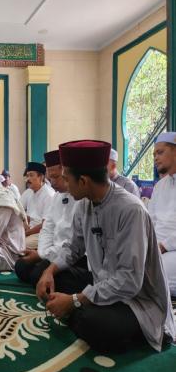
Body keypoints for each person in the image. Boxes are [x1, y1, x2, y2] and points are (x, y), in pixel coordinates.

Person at [35, 139, 175, 353]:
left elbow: (129, 280)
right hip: (103, 282)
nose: (63, 185)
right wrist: (49, 270)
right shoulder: (84, 204)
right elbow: (72, 249)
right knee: (58, 280)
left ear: (83, 181)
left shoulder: (130, 211)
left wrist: (75, 301)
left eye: (66, 178)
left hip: (138, 300)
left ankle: (132, 330)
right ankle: (82, 311)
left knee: (93, 323)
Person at [15, 150, 83, 286]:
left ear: (67, 173)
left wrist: (44, 256)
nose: (52, 183)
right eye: (50, 178)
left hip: (73, 256)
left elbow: (73, 243)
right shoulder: (57, 196)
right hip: (53, 251)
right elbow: (48, 228)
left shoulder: (81, 198)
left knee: (38, 275)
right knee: (20, 267)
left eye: (56, 177)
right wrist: (41, 253)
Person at [148, 132, 176, 297]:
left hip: (171, 250)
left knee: (152, 275)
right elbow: (149, 221)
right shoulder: (160, 186)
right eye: (154, 154)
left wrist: (163, 246)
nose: (155, 158)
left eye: (160, 152)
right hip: (157, 248)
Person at [23, 162, 55, 249]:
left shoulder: (49, 195)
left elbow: (45, 224)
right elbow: (29, 216)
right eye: (27, 176)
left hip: (42, 233)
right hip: (31, 231)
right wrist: (24, 226)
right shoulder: (31, 193)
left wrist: (26, 233)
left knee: (20, 246)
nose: (28, 179)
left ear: (41, 177)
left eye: (31, 175)